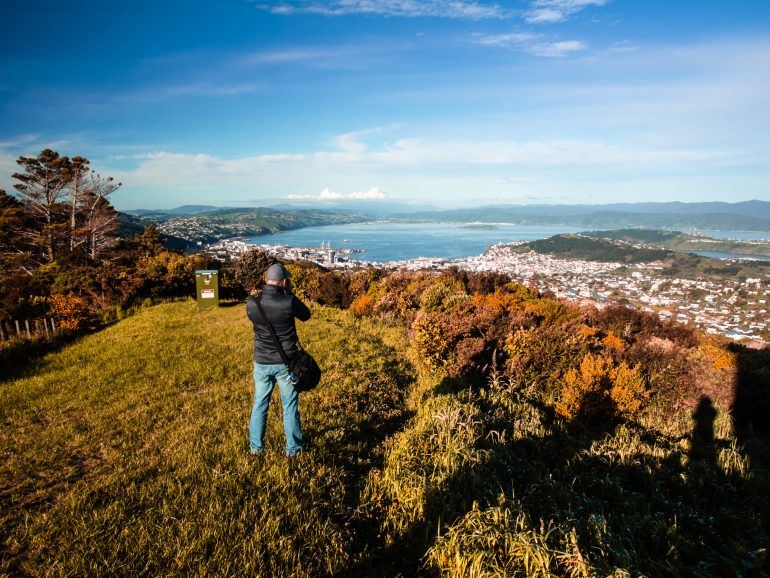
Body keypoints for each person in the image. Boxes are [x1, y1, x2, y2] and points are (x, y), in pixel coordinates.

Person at [246, 263, 311, 457]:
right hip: (285, 363)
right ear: (283, 281)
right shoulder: (288, 301)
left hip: (261, 361)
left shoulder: (252, 303)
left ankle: (256, 450)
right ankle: (293, 451)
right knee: (289, 405)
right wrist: (288, 295)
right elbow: (306, 315)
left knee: (259, 404)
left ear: (266, 280)